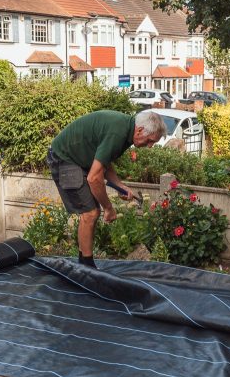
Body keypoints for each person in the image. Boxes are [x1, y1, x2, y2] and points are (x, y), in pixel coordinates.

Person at [47, 109, 165, 267]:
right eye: (150, 141)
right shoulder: (119, 133)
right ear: (140, 130)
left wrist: (119, 185)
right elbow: (94, 178)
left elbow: (104, 162)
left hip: (77, 160)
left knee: (90, 212)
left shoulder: (125, 131)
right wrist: (108, 208)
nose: (150, 146)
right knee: (90, 213)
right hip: (63, 158)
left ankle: (84, 263)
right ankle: (87, 268)